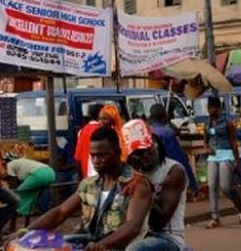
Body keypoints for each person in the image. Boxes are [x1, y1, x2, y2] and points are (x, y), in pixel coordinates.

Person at [19, 127, 152, 251]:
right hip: (91, 243)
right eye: (92, 155)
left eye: (101, 155)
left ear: (117, 153)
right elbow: (60, 212)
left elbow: (133, 226)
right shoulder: (89, 184)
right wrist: (24, 233)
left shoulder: (136, 184)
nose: (95, 160)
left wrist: (103, 245)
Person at [123, 119, 187, 251]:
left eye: (148, 148)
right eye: (138, 153)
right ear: (129, 157)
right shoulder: (128, 173)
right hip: (135, 235)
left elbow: (160, 221)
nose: (145, 155)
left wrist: (144, 187)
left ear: (155, 144)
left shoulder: (173, 171)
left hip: (166, 237)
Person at [203, 97, 241, 228]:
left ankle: (240, 207)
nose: (210, 110)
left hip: (226, 155)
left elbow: (234, 143)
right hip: (213, 157)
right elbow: (205, 139)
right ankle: (215, 218)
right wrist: (207, 148)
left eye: (213, 108)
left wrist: (238, 162)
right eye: (209, 108)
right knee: (211, 186)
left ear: (219, 109)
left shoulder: (228, 123)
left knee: (225, 187)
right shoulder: (208, 123)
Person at [147, 104, 197, 191]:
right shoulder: (167, 133)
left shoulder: (146, 132)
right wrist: (192, 182)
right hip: (168, 175)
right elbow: (179, 159)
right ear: (164, 116)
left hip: (149, 178)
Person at [75, 103, 104, 178]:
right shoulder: (104, 131)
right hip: (100, 174)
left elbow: (78, 157)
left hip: (87, 175)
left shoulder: (82, 131)